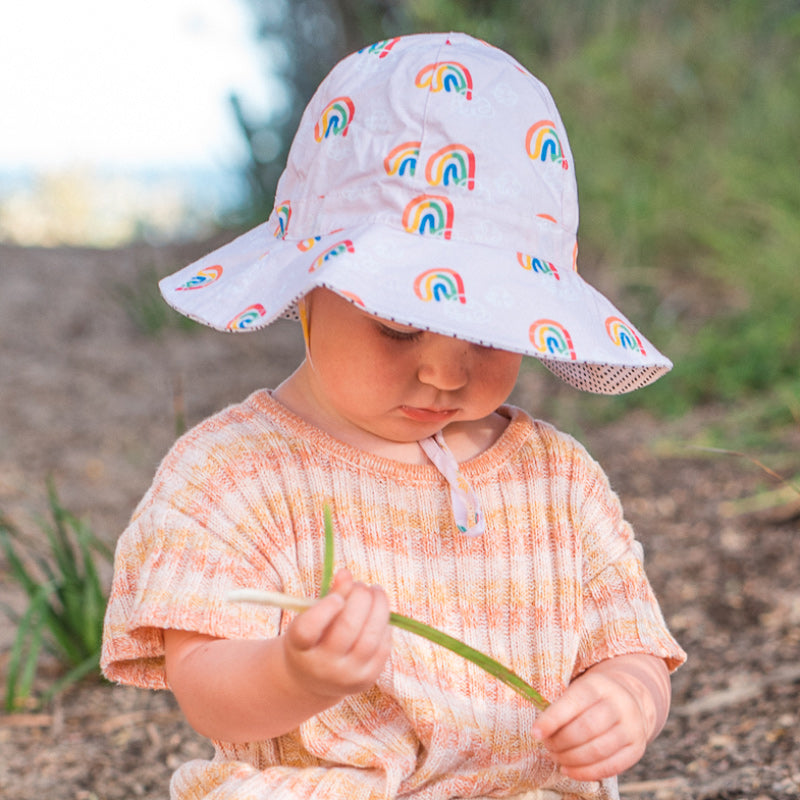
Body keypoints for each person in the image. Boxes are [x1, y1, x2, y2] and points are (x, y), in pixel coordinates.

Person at [101, 32, 685, 800]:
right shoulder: (231, 475)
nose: (444, 372)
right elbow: (204, 682)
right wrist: (293, 672)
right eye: (398, 326)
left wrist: (626, 700)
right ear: (306, 285)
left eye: (485, 333)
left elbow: (630, 645)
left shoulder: (557, 479)